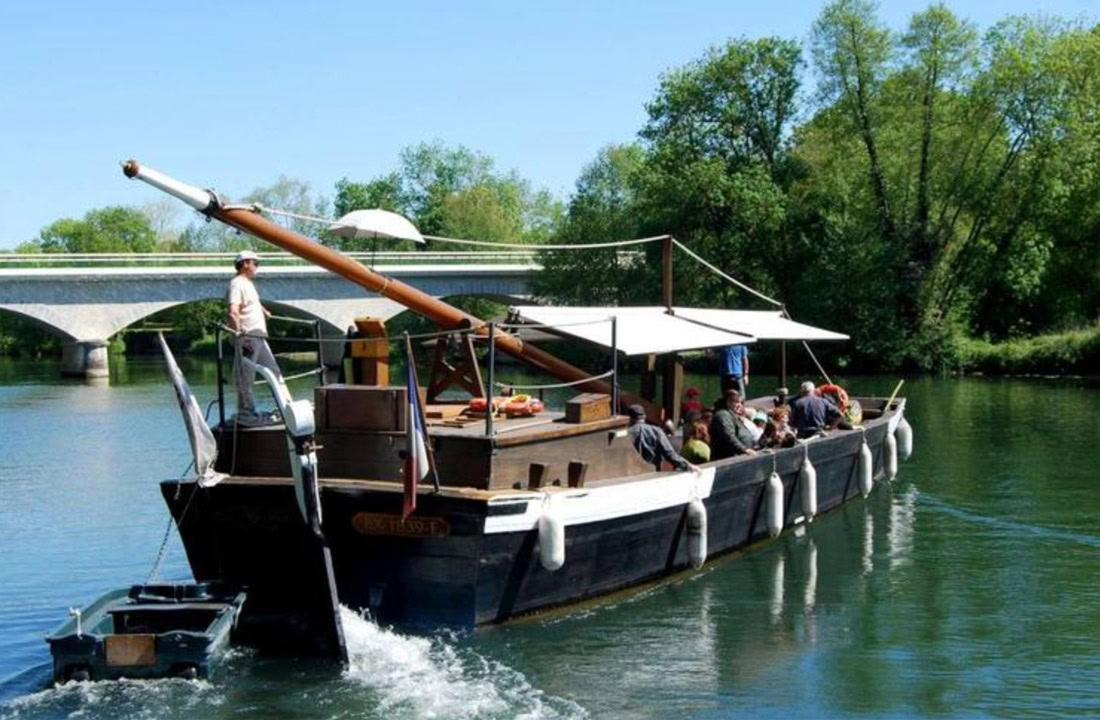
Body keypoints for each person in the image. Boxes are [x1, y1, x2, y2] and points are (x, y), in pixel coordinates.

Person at [227, 250, 285, 425]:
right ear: (245, 264)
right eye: (256, 263)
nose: (257, 267)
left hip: (259, 335)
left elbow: (252, 303)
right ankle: (246, 414)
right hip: (248, 337)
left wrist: (263, 311)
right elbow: (233, 311)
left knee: (274, 371)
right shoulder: (236, 283)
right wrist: (238, 333)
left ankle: (285, 407)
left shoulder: (248, 284)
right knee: (246, 377)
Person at [626, 405, 699, 473]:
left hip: (632, 476)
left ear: (629, 418)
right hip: (653, 474)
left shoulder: (626, 434)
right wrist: (688, 466)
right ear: (644, 416)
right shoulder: (656, 431)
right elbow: (670, 455)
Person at [709, 389, 757, 460]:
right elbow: (728, 435)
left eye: (741, 403)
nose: (739, 405)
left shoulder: (732, 415)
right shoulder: (723, 415)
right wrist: (744, 450)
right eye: (737, 402)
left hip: (739, 457)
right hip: (727, 459)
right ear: (728, 402)